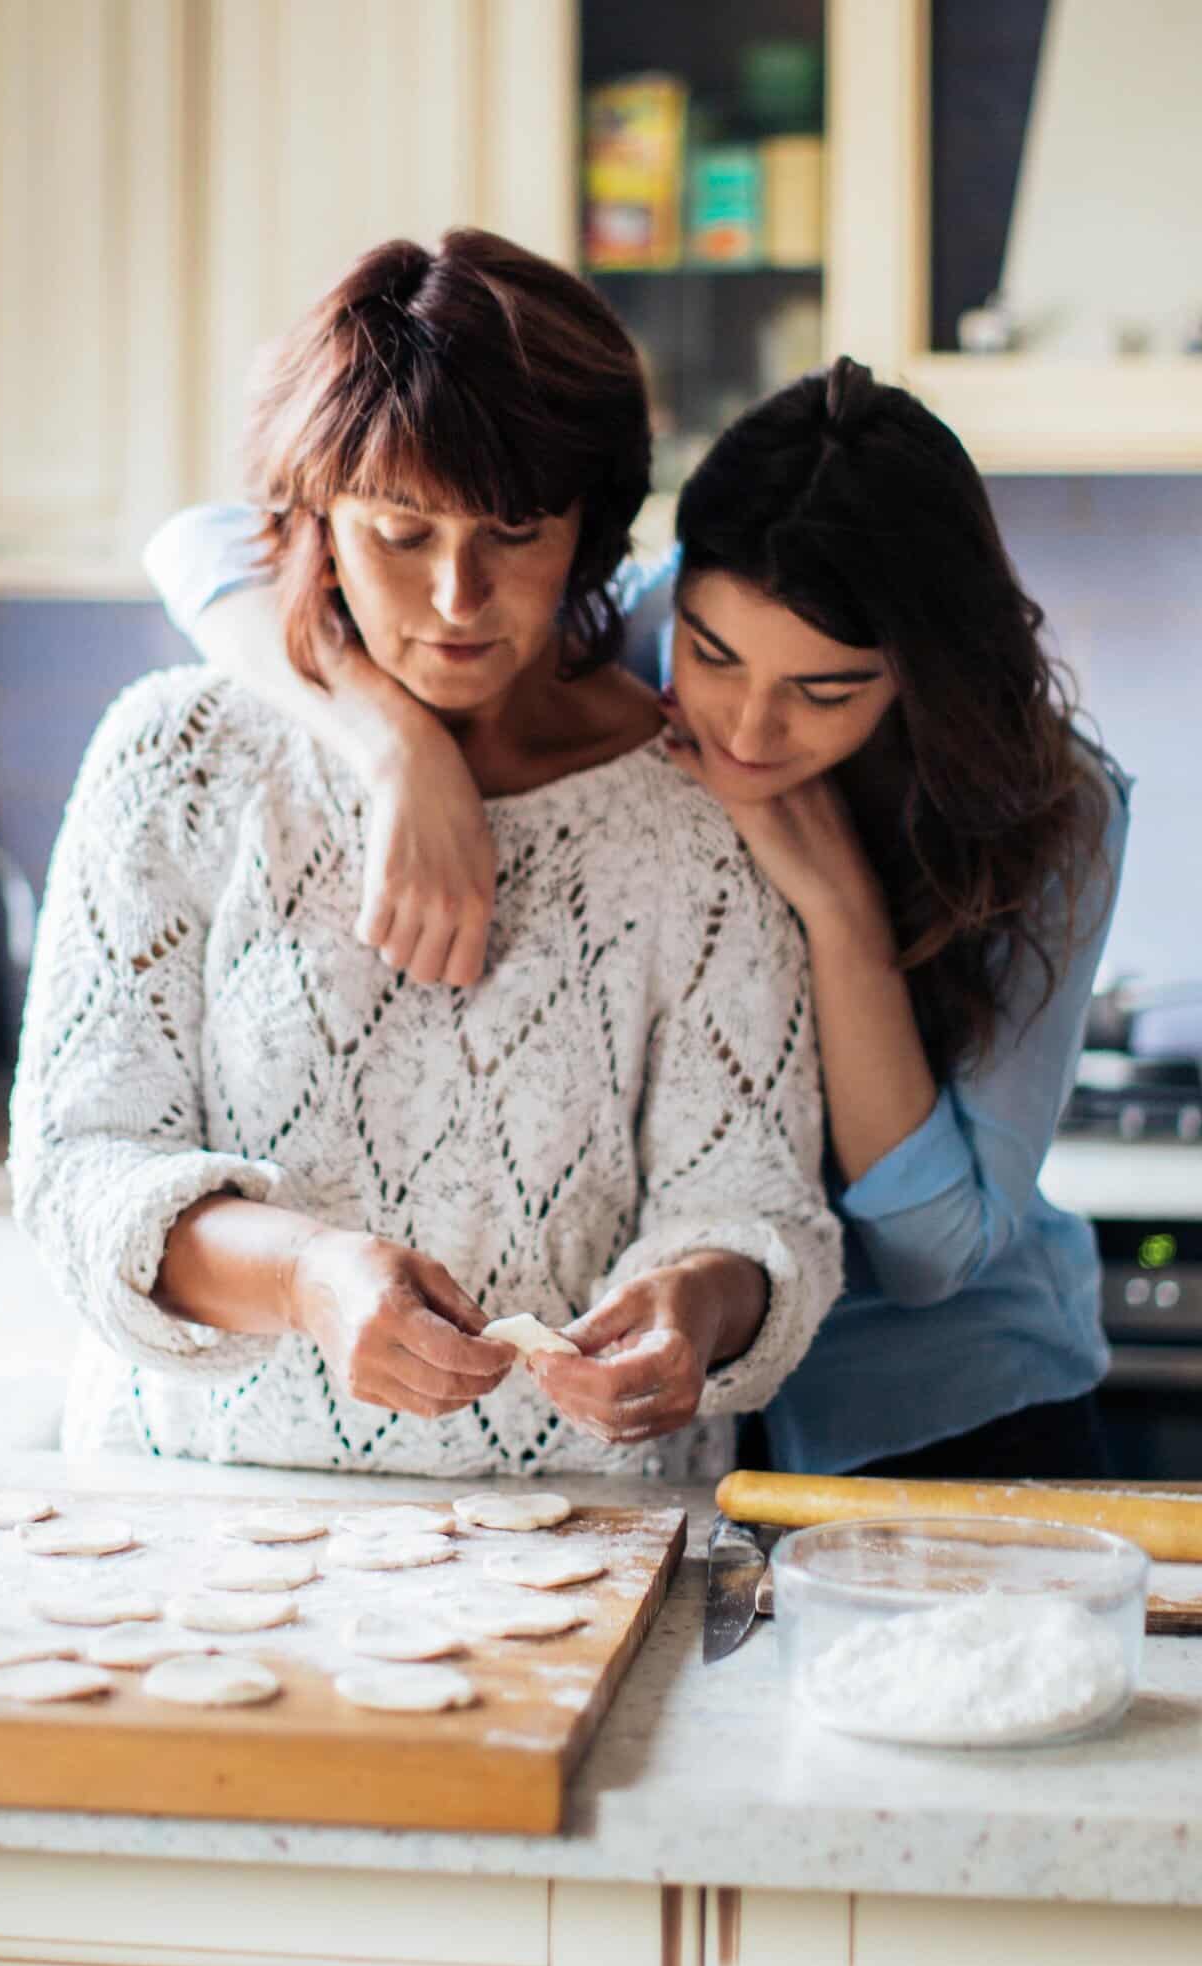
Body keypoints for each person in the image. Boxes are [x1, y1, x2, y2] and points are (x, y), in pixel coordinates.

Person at [144, 355, 1129, 1480]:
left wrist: (840, 914)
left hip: (939, 1409)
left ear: (917, 672)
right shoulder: (625, 628)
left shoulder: (1054, 808)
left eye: (827, 691)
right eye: (712, 657)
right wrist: (395, 749)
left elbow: (931, 1254)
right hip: (679, 1432)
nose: (751, 728)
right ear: (677, 587)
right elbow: (207, 547)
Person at [11, 230, 841, 1478]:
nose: (460, 598)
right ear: (314, 522)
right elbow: (79, 1169)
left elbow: (760, 1205)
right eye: (401, 533)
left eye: (515, 532)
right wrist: (304, 1277)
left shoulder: (694, 813)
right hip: (198, 1530)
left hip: (587, 1536)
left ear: (592, 529)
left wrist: (696, 1306)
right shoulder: (178, 759)